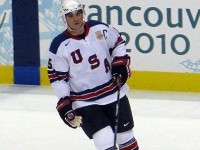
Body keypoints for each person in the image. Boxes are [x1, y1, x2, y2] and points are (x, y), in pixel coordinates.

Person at [47, 0, 139, 149]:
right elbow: (58, 79)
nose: (76, 18)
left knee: (125, 136)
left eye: (78, 13)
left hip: (112, 91)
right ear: (64, 19)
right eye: (70, 15)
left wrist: (120, 65)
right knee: (105, 139)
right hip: (84, 101)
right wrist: (65, 105)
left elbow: (118, 43)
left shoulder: (99, 28)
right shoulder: (59, 45)